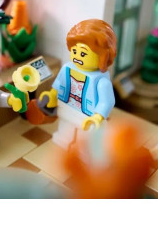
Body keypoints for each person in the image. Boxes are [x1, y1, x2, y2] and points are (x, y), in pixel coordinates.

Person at [40, 19, 117, 149]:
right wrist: (52, 95)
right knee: (65, 129)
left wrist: (98, 116)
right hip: (66, 107)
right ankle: (64, 140)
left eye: (83, 53)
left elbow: (107, 102)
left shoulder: (101, 81)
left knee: (85, 139)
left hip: (87, 116)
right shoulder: (67, 68)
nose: (77, 57)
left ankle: (84, 151)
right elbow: (59, 84)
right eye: (74, 52)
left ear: (102, 56)